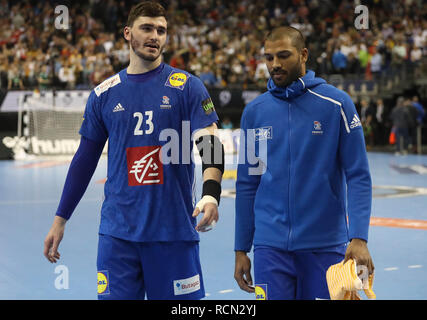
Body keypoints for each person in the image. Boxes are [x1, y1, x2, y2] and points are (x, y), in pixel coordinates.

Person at [43, 1, 224, 300]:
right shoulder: (104, 94)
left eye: (161, 30)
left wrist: (210, 193)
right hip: (118, 236)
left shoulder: (187, 87)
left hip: (173, 234)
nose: (155, 36)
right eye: (147, 28)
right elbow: (85, 160)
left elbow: (210, 141)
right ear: (128, 33)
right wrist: (60, 220)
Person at [234, 26, 374, 300]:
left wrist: (359, 237)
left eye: (283, 56)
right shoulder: (254, 113)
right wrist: (241, 248)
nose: (275, 64)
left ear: (303, 55)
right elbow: (247, 183)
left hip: (325, 247)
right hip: (269, 249)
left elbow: (358, 175)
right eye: (269, 57)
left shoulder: (336, 104)